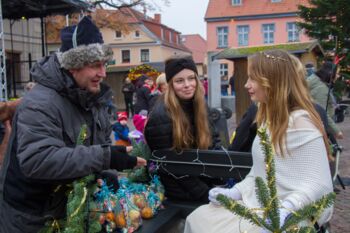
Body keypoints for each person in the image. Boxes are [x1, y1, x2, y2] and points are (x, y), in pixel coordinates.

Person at [0, 16, 146, 233]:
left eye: (104, 64)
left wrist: (102, 175)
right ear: (73, 66)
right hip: (32, 219)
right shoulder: (39, 103)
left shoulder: (92, 97)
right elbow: (37, 160)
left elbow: (92, 147)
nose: (103, 73)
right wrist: (105, 156)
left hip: (70, 211)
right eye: (95, 65)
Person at [185, 50, 333, 233]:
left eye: (253, 79)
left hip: (292, 215)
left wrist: (286, 209)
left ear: (273, 81)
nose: (246, 85)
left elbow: (318, 183)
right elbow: (259, 173)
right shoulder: (268, 119)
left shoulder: (301, 122)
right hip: (261, 206)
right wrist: (235, 192)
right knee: (199, 218)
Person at [144, 56, 221, 202]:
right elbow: (172, 167)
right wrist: (206, 193)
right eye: (179, 81)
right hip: (178, 191)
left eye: (191, 78)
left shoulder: (200, 105)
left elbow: (214, 141)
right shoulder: (160, 116)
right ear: (170, 84)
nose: (187, 85)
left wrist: (220, 176)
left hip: (203, 181)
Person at [306, 61, 343, 139]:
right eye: (336, 73)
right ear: (330, 74)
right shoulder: (321, 89)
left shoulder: (317, 82)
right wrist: (337, 131)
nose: (338, 76)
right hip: (320, 128)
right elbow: (322, 112)